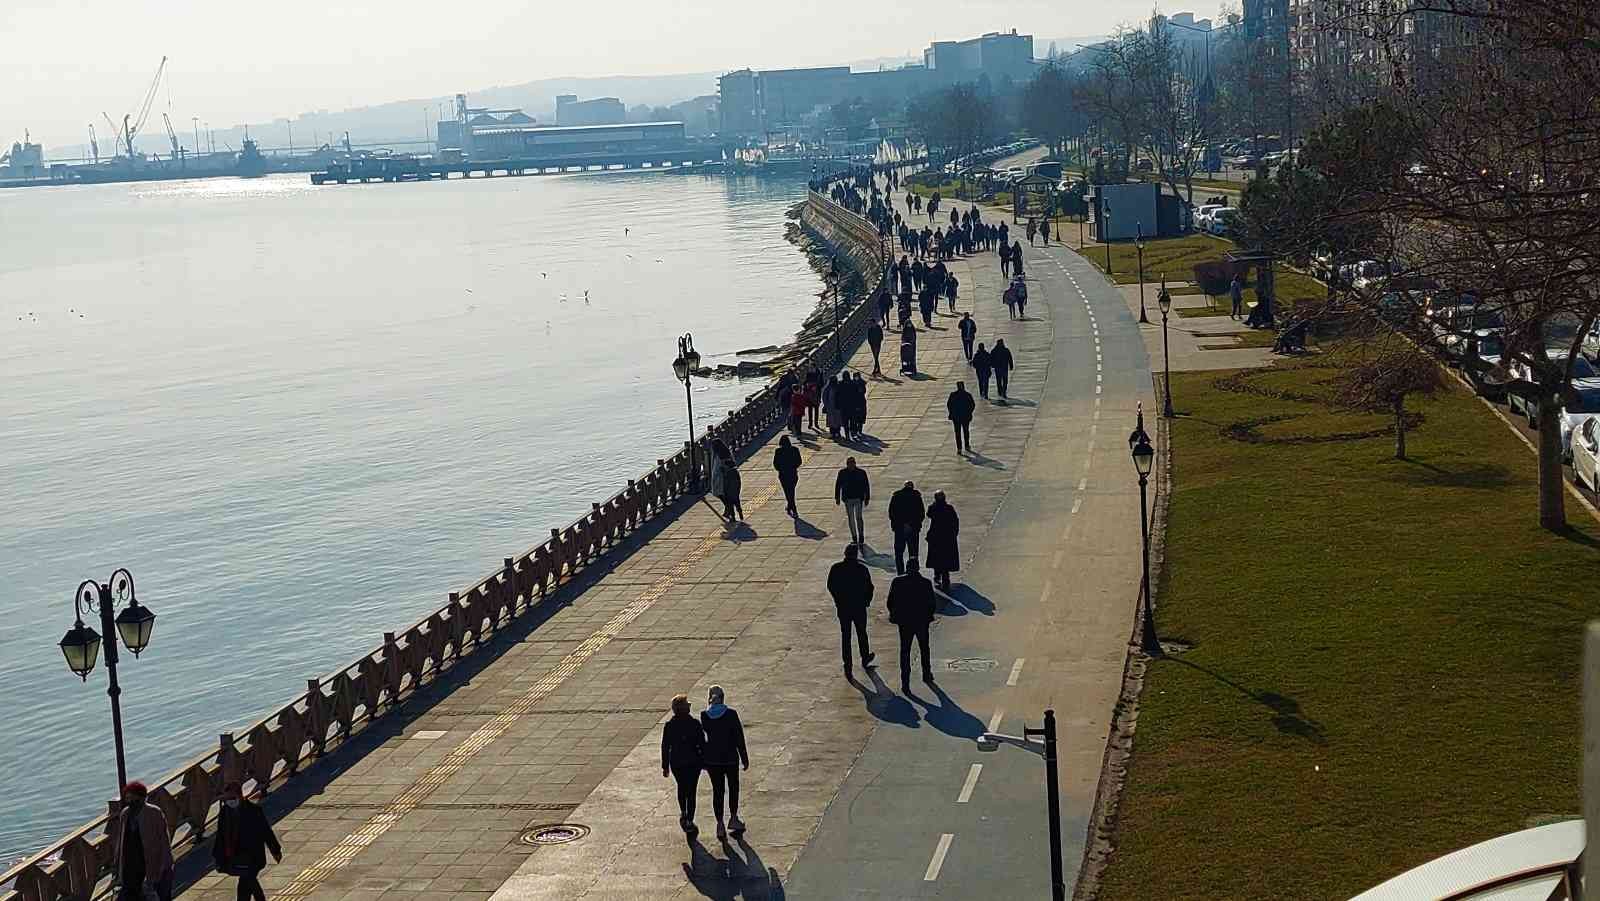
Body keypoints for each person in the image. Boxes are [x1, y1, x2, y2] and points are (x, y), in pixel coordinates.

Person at [212, 781, 282, 901]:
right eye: (227, 799)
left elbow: (266, 831)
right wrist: (218, 856)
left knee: (246, 881)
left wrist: (275, 850)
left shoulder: (254, 811)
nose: (229, 801)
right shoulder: (224, 812)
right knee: (248, 881)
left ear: (240, 795)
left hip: (253, 856)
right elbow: (221, 836)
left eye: (232, 798)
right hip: (235, 856)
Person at [700, 686, 749, 842]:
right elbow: (738, 738)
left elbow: (704, 740)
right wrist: (744, 757)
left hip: (713, 759)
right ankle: (733, 818)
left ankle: (719, 824)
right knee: (733, 787)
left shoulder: (704, 716)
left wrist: (703, 760)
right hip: (730, 758)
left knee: (718, 791)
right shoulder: (731, 714)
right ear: (723, 697)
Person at [112, 781, 176, 901]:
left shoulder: (154, 812)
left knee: (158, 895)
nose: (130, 801)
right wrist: (117, 863)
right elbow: (121, 840)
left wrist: (166, 864)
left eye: (133, 797)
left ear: (142, 797)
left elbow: (164, 840)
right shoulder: (125, 814)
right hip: (130, 865)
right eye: (128, 798)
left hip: (150, 862)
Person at [827, 544, 876, 678]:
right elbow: (870, 587)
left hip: (843, 608)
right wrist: (866, 601)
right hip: (859, 606)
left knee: (846, 636)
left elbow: (831, 586)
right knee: (862, 632)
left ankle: (847, 664)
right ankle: (865, 657)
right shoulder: (861, 569)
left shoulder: (836, 568)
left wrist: (838, 601)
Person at [887, 563, 937, 691]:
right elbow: (932, 603)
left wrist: (895, 614)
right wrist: (928, 615)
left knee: (905, 650)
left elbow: (890, 602)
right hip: (921, 621)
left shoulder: (898, 582)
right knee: (924, 648)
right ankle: (926, 673)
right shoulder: (925, 583)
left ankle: (905, 681)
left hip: (905, 622)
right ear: (918, 568)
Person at [662, 695, 706, 836]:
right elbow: (702, 744)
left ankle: (683, 811)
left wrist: (665, 766)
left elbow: (665, 747)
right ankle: (689, 820)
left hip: (677, 762)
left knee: (682, 787)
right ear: (684, 708)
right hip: (693, 762)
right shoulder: (695, 724)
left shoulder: (669, 725)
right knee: (691, 791)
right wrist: (705, 761)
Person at [888, 480, 926, 576]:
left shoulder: (896, 496)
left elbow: (892, 513)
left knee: (899, 552)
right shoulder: (916, 497)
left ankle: (900, 572)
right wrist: (912, 524)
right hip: (913, 529)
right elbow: (921, 513)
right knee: (913, 552)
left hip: (899, 529)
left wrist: (901, 524)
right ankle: (913, 571)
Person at [925, 492, 960, 592]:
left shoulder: (933, 508)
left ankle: (937, 576)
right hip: (947, 538)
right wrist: (954, 534)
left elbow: (929, 514)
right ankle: (945, 578)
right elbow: (955, 521)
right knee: (945, 558)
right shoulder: (949, 508)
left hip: (936, 537)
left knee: (936, 557)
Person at [835, 457, 871, 545]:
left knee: (858, 517)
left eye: (852, 463)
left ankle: (861, 535)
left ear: (855, 463)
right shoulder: (842, 473)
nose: (851, 465)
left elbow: (866, 485)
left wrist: (867, 498)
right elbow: (838, 485)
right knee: (851, 519)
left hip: (858, 498)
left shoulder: (861, 472)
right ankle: (854, 537)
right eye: (849, 464)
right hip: (848, 499)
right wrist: (837, 497)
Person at [713, 442, 743, 522]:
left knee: (727, 499)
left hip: (725, 481)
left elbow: (718, 470)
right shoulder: (728, 453)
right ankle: (738, 512)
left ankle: (731, 514)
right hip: (734, 480)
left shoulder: (719, 457)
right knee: (735, 498)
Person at [773, 435, 802, 516]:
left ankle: (792, 508)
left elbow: (775, 463)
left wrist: (780, 469)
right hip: (793, 473)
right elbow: (799, 461)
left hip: (783, 475)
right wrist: (793, 467)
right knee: (791, 491)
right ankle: (791, 508)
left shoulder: (778, 451)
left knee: (787, 492)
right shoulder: (795, 449)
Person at [947, 382, 976, 454]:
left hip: (956, 417)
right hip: (965, 417)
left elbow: (949, 405)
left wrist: (952, 413)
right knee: (966, 431)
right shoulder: (967, 395)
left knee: (957, 433)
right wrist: (969, 413)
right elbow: (972, 405)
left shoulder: (953, 395)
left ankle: (959, 448)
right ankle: (967, 445)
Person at [821, 375, 840, 439]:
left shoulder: (828, 387)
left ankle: (834, 433)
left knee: (833, 421)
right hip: (835, 407)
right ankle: (836, 432)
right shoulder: (837, 386)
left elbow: (824, 397)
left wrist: (826, 404)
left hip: (832, 407)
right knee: (836, 421)